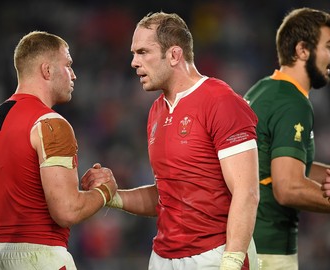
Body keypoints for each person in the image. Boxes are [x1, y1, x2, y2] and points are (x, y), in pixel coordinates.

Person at [82, 11, 260, 270]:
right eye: (133, 53)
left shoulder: (221, 101)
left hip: (214, 255)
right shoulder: (156, 111)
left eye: (143, 52)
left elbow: (247, 192)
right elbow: (167, 196)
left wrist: (232, 262)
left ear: (175, 55)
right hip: (163, 258)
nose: (133, 62)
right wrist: (112, 196)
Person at [0, 31, 117, 270]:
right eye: (68, 65)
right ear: (47, 70)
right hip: (40, 256)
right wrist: (106, 191)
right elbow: (67, 211)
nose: (74, 74)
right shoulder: (51, 124)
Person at [243, 7, 330, 270]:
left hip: (247, 244)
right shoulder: (292, 103)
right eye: (328, 46)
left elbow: (281, 163)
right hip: (269, 251)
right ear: (303, 50)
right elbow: (288, 186)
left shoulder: (264, 88)